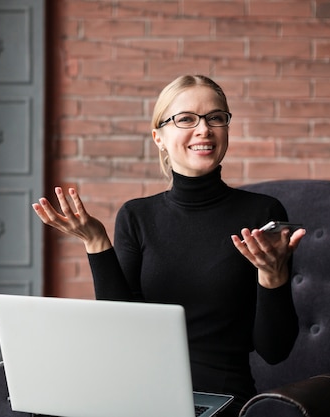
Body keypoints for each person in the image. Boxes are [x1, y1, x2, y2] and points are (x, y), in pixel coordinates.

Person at [32, 74, 305, 416]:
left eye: (215, 118)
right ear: (159, 137)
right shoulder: (137, 216)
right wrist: (96, 241)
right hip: (138, 392)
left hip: (219, 399)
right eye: (186, 119)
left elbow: (275, 350)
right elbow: (122, 333)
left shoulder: (262, 213)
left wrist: (272, 277)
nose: (204, 129)